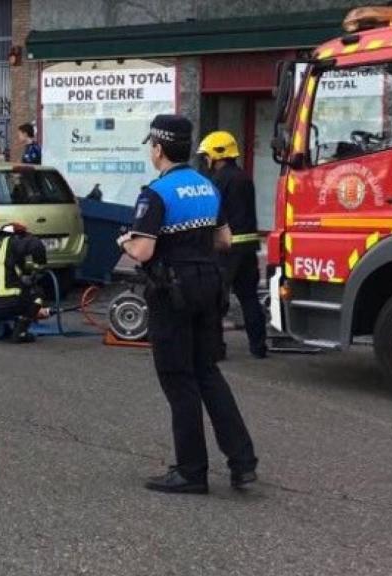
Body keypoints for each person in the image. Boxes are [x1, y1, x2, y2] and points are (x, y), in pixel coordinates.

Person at [118, 114, 258, 494]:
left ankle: (191, 471)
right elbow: (225, 241)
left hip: (173, 293)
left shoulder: (157, 193)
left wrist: (124, 242)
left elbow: (143, 250)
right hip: (208, 289)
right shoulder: (207, 187)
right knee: (207, 373)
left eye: (152, 145)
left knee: (179, 380)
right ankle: (242, 462)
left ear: (159, 149)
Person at [197, 131, 268, 360]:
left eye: (206, 156)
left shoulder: (217, 181)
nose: (205, 161)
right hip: (248, 248)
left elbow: (212, 215)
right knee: (249, 298)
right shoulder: (244, 177)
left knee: (215, 300)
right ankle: (258, 348)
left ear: (218, 155)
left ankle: (215, 350)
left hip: (225, 250)